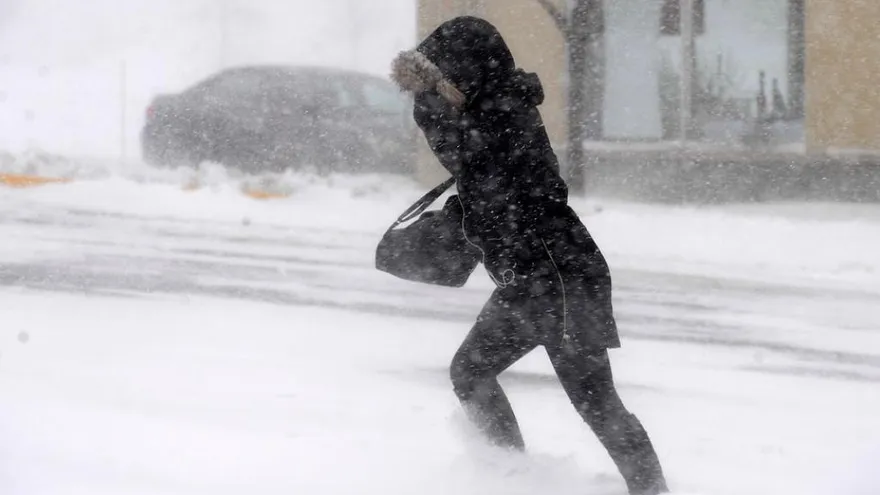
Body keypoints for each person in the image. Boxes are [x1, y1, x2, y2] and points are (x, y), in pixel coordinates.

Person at [389, 16, 669, 495]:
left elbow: (521, 192)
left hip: (558, 276)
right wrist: (459, 219)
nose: (439, 91)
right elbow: (481, 184)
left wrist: (472, 219)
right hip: (531, 279)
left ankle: (649, 490)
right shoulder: (481, 112)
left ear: (470, 70)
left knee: (595, 399)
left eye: (445, 77)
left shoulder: (501, 113)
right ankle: (512, 479)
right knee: (472, 372)